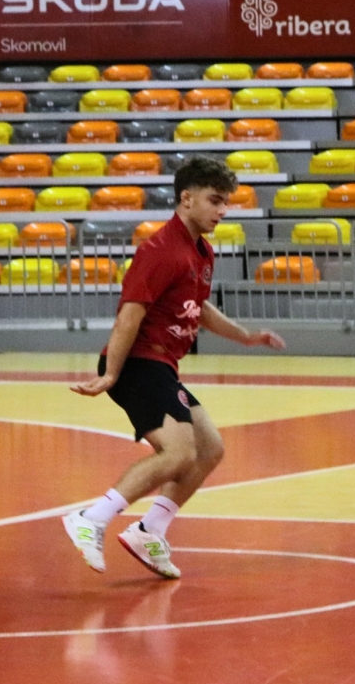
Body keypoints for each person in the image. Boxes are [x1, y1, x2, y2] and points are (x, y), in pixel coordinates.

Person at [63, 157, 287, 578]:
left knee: (210, 449)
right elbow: (129, 314)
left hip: (161, 366)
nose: (222, 212)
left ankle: (150, 530)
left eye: (226, 203)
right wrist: (112, 373)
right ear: (186, 199)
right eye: (215, 201)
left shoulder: (201, 250)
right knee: (179, 452)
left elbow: (197, 307)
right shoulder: (160, 251)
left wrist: (245, 336)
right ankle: (90, 519)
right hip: (137, 364)